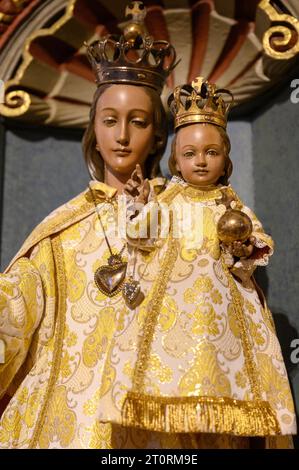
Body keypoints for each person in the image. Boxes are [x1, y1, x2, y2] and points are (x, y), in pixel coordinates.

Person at [0, 3, 184, 449]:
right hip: (70, 425)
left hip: (161, 420)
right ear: (94, 131)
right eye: (109, 120)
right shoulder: (59, 231)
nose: (122, 135)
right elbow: (13, 315)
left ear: (157, 135)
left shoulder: (187, 215)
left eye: (137, 122)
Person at [95, 78, 297, 449]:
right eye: (189, 154)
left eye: (211, 152)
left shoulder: (230, 205)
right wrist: (140, 205)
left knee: (224, 404)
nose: (200, 161)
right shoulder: (168, 200)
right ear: (176, 159)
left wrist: (244, 247)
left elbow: (257, 242)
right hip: (173, 320)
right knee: (173, 409)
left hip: (225, 322)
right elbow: (142, 238)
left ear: (225, 158)